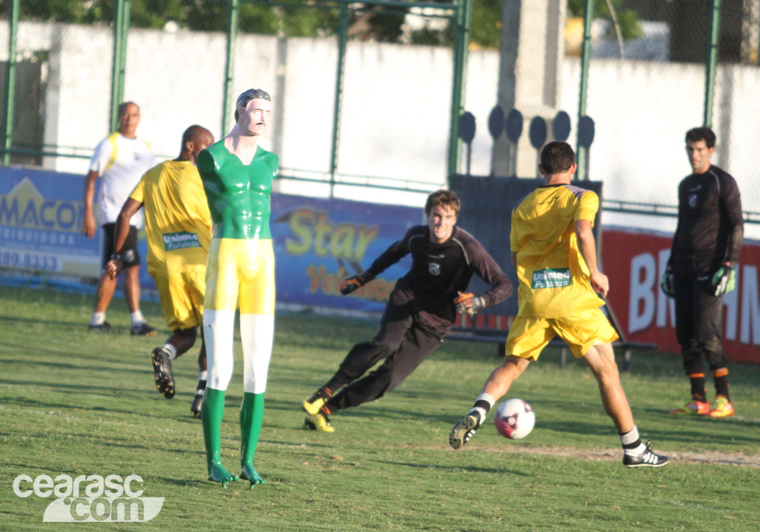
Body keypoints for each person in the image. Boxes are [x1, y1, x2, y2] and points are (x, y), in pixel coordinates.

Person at [449, 141, 668, 468]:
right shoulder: (583, 197)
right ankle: (633, 447)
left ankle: (480, 408)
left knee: (513, 365)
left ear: (541, 169)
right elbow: (582, 231)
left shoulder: (522, 206)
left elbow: (514, 256)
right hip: (572, 301)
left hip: (535, 300)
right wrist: (595, 271)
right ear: (574, 167)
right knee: (607, 373)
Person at [302, 189, 513, 433]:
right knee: (385, 345)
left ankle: (325, 410)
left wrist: (480, 302)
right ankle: (323, 392)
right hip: (407, 300)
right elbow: (394, 252)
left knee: (389, 378)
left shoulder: (467, 247)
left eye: (447, 217)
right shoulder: (417, 237)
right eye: (436, 215)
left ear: (455, 219)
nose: (440, 222)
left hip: (436, 323)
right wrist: (363, 278)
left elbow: (504, 284)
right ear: (427, 215)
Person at [196, 89, 279, 488]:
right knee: (221, 367)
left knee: (258, 369)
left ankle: (248, 459)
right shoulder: (211, 156)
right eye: (256, 109)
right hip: (226, 254)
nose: (263, 116)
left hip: (262, 259)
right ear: (239, 111)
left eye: (268, 110)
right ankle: (214, 461)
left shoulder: (270, 161)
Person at [106, 125, 216, 418]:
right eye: (207, 147)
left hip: (167, 266)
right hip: (200, 263)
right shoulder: (205, 178)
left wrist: (117, 255)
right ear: (191, 146)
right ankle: (201, 398)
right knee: (213, 331)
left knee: (185, 332)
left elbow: (125, 214)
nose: (211, 154)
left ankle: (165, 354)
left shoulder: (152, 175)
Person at [661, 127, 743, 418]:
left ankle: (724, 398)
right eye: (689, 149)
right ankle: (698, 399)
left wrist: (729, 264)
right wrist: (670, 266)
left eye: (698, 150)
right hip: (683, 266)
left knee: (707, 331)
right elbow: (682, 226)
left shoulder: (722, 182)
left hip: (711, 268)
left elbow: (736, 224)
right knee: (686, 333)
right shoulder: (686, 185)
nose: (693, 155)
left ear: (711, 150)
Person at [82, 102, 157, 335]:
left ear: (139, 118)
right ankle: (136, 321)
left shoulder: (146, 148)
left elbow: (152, 184)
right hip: (115, 216)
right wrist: (88, 213)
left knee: (116, 266)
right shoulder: (109, 144)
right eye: (125, 114)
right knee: (130, 266)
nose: (129, 119)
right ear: (118, 117)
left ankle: (98, 319)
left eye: (133, 115)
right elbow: (91, 179)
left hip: (134, 219)